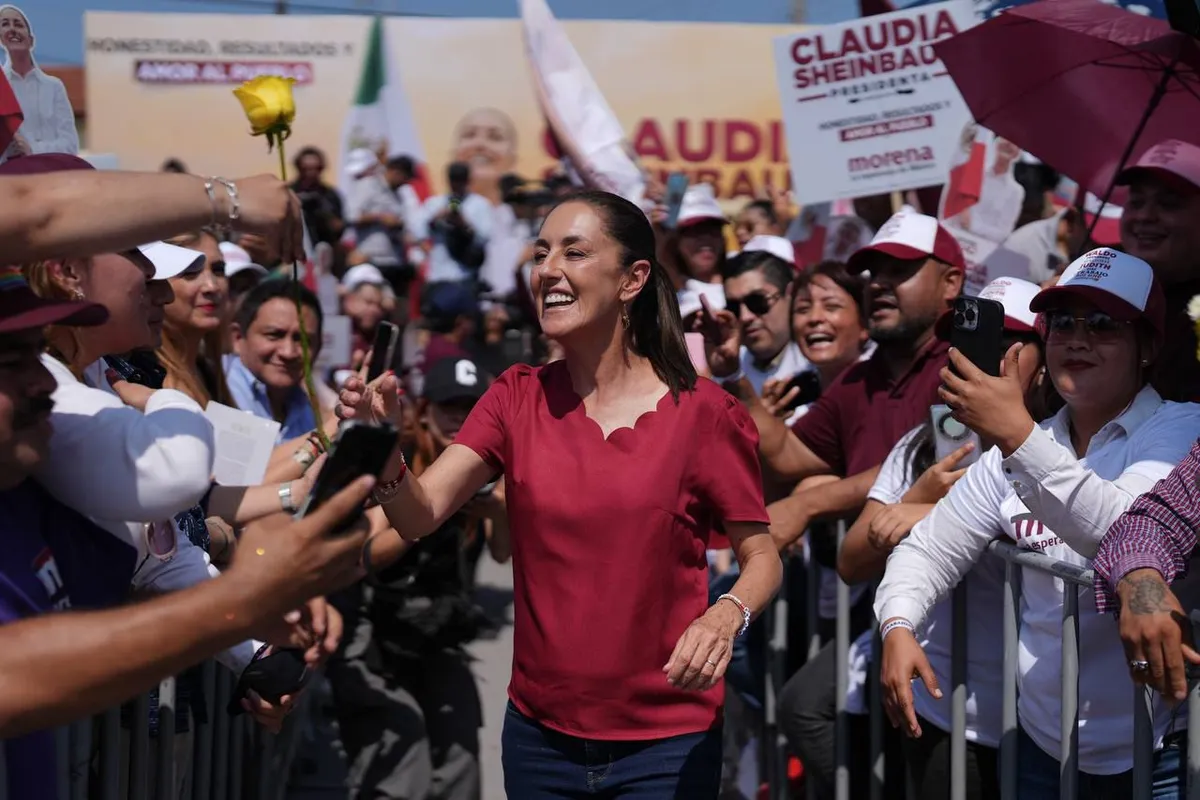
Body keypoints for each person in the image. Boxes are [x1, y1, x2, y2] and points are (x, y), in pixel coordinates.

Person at [339, 189, 782, 798]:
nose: (547, 270)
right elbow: (417, 515)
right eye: (541, 253)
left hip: (667, 744)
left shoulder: (705, 412)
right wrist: (383, 442)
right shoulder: (513, 397)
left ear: (633, 279)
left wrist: (725, 615)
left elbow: (762, 557)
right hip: (539, 742)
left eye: (574, 253)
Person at [877, 248, 1200, 797]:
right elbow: (928, 550)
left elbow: (1130, 531)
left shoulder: (1181, 429)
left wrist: (1018, 438)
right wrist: (898, 625)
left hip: (1160, 748)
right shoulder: (1026, 442)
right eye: (1062, 323)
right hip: (1041, 746)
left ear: (1147, 348)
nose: (1078, 339)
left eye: (1103, 324)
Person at [837, 277, 1051, 800]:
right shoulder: (925, 443)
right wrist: (917, 498)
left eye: (1002, 346)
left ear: (1045, 363)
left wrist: (940, 515)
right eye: (966, 344)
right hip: (948, 712)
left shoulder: (1070, 452)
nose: (977, 361)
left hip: (1050, 726)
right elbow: (851, 561)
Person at [329, 355, 506, 800]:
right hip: (379, 637)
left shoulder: (484, 467)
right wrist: (424, 517)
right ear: (424, 409)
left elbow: (503, 552)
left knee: (461, 758)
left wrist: (501, 509)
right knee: (403, 770)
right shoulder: (400, 459)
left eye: (471, 407)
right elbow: (361, 554)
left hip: (439, 636)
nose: (460, 418)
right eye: (449, 406)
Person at [226, 278, 324, 443]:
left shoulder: (305, 409)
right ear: (237, 338)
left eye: (303, 340)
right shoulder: (218, 391)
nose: (288, 352)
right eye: (274, 335)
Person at [0, 5, 78, 159]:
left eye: (18, 24)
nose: (12, 29)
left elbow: (71, 144)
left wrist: (33, 149)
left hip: (53, 173)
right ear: (1, 38)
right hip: (13, 176)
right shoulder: (1, 88)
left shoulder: (54, 86)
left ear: (31, 40)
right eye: (5, 24)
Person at [418, 161, 494, 289]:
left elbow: (485, 237)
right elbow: (417, 232)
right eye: (454, 180)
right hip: (439, 273)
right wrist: (435, 219)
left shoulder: (480, 204)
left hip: (467, 274)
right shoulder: (435, 203)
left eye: (460, 180)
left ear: (468, 180)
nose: (456, 185)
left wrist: (464, 224)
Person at [291, 145, 345, 249]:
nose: (311, 173)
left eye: (316, 169)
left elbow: (339, 226)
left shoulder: (330, 195)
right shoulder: (289, 193)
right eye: (306, 169)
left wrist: (326, 218)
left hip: (324, 250)